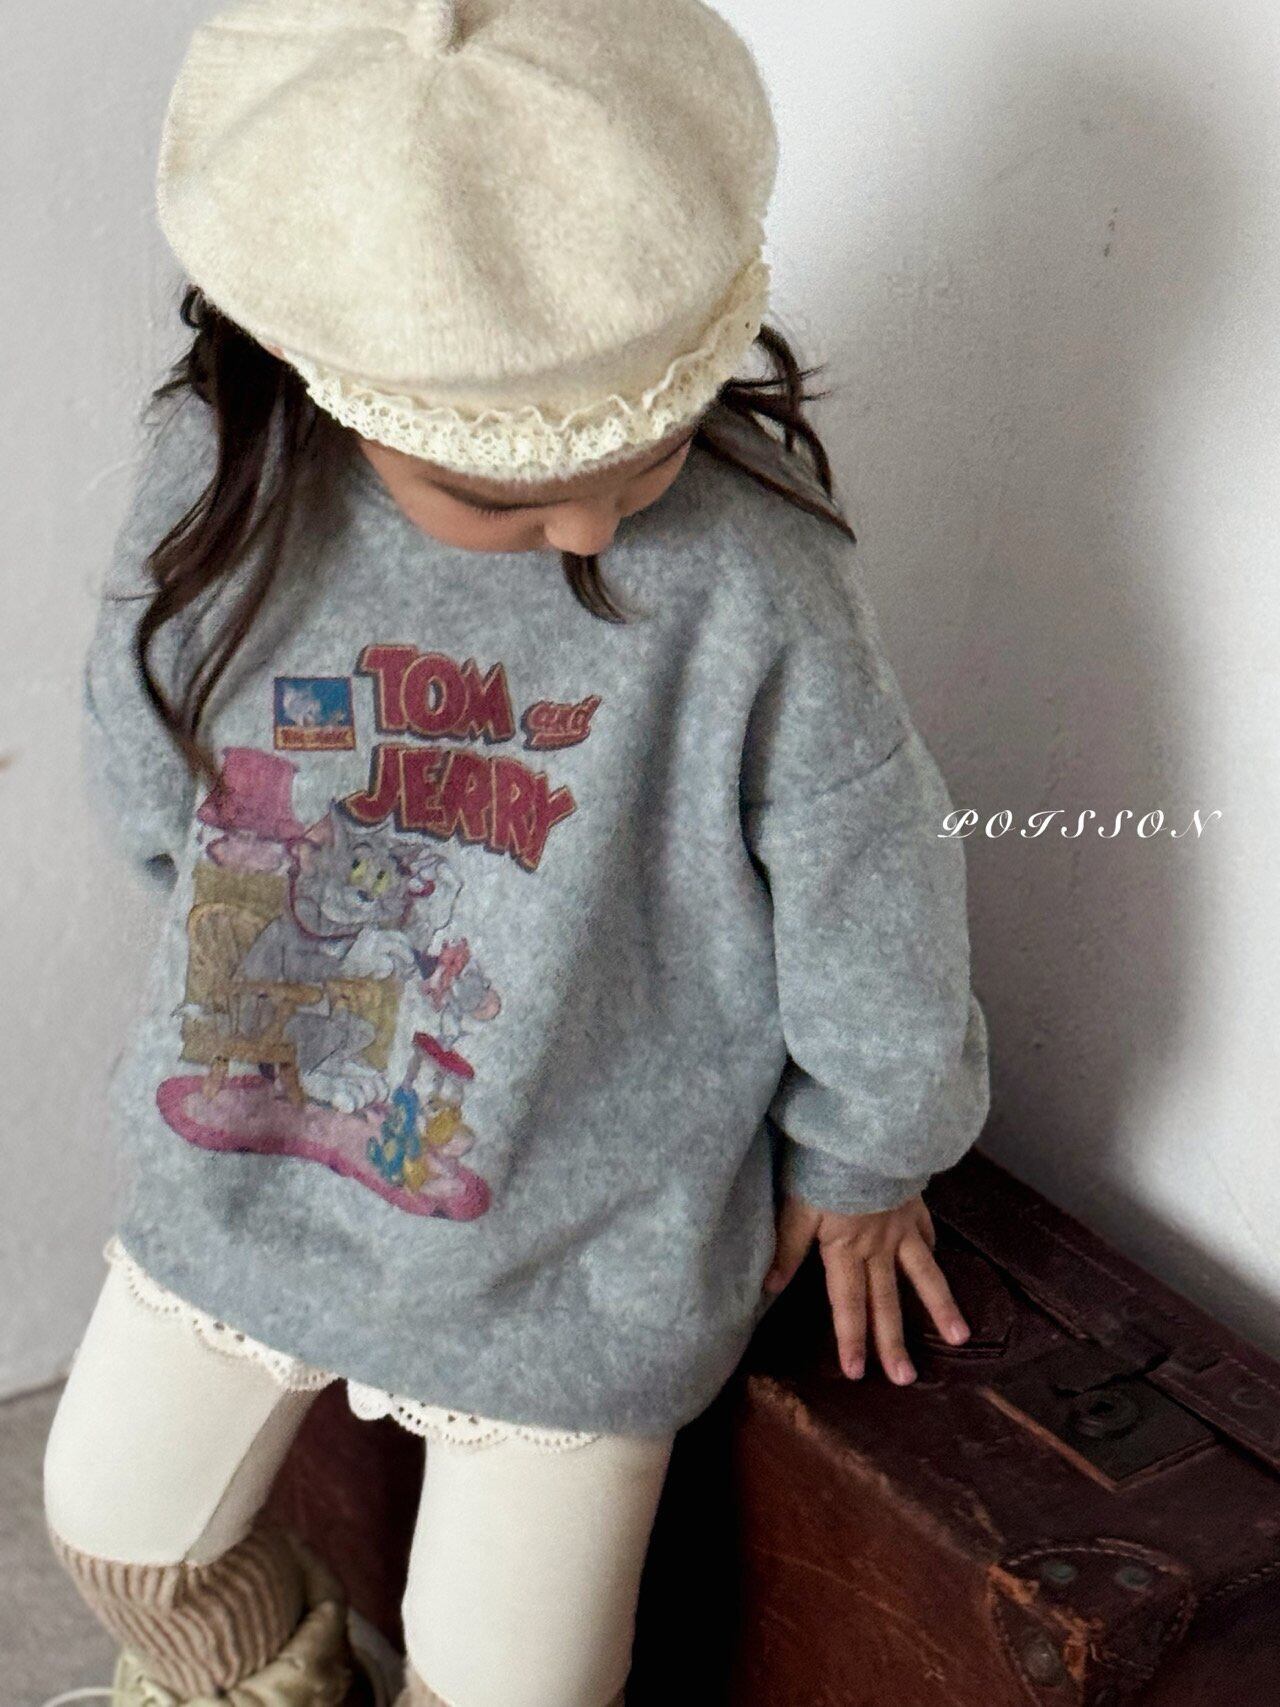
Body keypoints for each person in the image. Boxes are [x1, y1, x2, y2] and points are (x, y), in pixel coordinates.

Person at [40, 1, 992, 1704]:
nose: (594, 522)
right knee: (119, 1536)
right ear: (327, 383)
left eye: (650, 451)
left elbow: (875, 877)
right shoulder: (222, 481)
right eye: (504, 495)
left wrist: (874, 1149)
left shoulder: (756, 582)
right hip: (255, 1158)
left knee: (513, 1685)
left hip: (583, 1240)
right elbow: (145, 758)